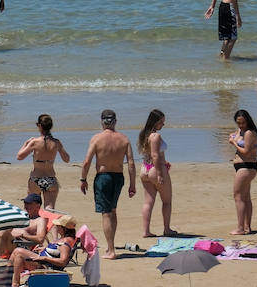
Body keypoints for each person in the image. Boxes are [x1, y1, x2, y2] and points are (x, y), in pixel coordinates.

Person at [79, 109, 136, 259]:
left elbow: (86, 162)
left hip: (103, 178)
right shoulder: (124, 139)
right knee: (113, 210)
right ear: (115, 121)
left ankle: (111, 250)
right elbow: (131, 163)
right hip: (118, 178)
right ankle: (111, 246)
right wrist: (132, 184)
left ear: (102, 121)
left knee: (106, 213)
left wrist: (83, 180)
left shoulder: (97, 139)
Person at [17, 114, 71, 208]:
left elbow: (19, 156)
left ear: (40, 126)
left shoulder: (35, 142)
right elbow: (67, 159)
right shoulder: (56, 142)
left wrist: (25, 144)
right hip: (50, 178)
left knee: (32, 209)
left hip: (36, 178)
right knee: (49, 209)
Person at [138, 109, 177, 237]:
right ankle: (167, 229)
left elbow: (149, 154)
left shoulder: (144, 134)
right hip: (155, 169)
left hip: (145, 169)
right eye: (161, 122)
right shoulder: (156, 136)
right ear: (155, 122)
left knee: (148, 202)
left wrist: (165, 162)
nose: (163, 125)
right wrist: (160, 173)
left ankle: (145, 231)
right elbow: (155, 155)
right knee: (167, 201)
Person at [9, 217, 77, 283]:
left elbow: (63, 262)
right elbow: (57, 251)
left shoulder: (65, 242)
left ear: (64, 228)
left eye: (58, 225)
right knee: (17, 253)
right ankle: (9, 278)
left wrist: (44, 258)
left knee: (19, 252)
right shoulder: (64, 238)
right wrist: (45, 249)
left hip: (46, 267)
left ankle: (12, 281)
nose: (56, 226)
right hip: (42, 263)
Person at [229, 109, 257, 235]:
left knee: (238, 196)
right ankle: (247, 227)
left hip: (247, 166)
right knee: (246, 197)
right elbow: (235, 136)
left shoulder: (249, 133)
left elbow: (246, 152)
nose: (240, 125)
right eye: (238, 123)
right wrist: (233, 136)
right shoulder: (241, 131)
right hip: (242, 166)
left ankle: (240, 228)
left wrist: (233, 143)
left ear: (248, 121)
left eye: (243, 122)